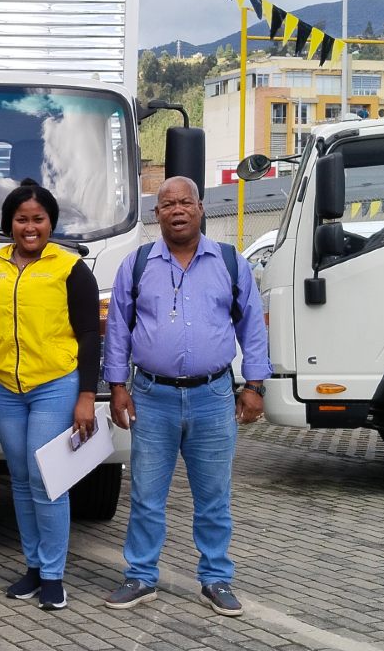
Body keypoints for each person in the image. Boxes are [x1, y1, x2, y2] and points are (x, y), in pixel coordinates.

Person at [100, 176, 270, 617]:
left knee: (213, 497)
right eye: (167, 204)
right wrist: (117, 386)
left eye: (185, 202)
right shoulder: (137, 264)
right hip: (151, 396)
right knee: (146, 495)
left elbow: (252, 326)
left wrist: (254, 385)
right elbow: (117, 329)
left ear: (199, 208)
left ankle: (215, 579)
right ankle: (140, 576)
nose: (177, 210)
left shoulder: (230, 263)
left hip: (213, 398)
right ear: (156, 214)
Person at [0, 180, 100, 611]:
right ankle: (31, 566)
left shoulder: (70, 268)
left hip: (55, 385)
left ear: (51, 223)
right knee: (22, 480)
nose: (30, 227)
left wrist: (86, 395)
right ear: (9, 223)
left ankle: (52, 575)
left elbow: (88, 336)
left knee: (48, 479)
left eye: (38, 219)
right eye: (21, 219)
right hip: (4, 387)